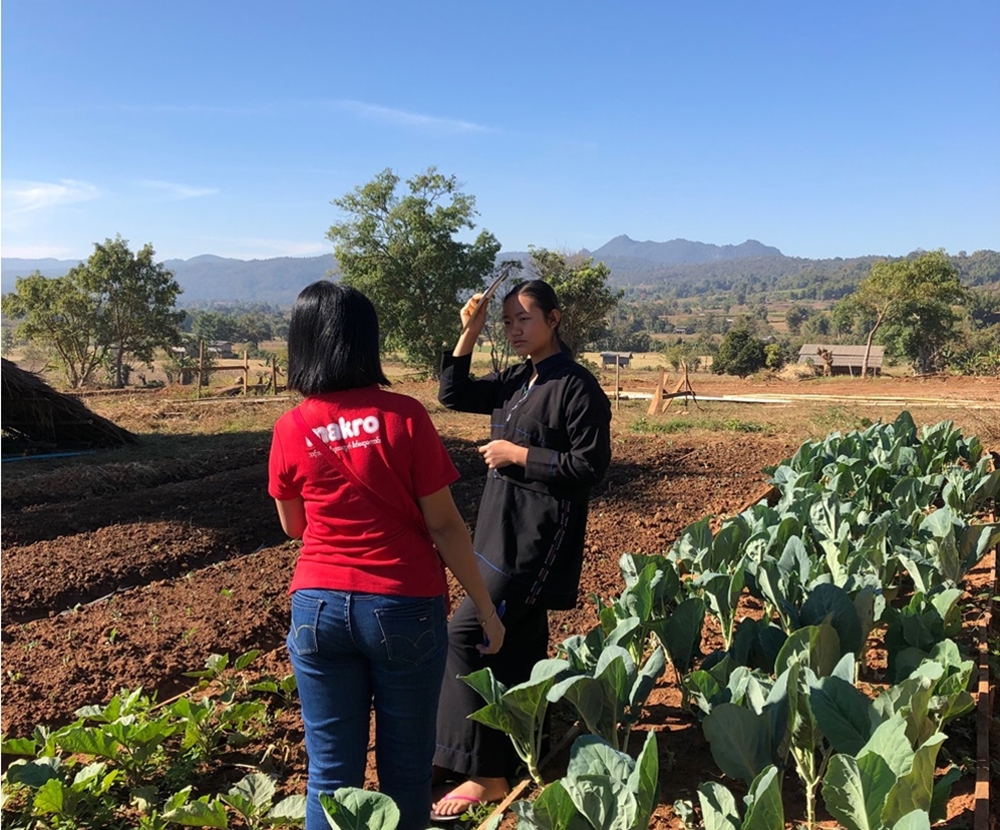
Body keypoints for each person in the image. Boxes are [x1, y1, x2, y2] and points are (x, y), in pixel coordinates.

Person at [268, 281, 505, 830]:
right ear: (364, 343)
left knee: (329, 775)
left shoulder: (291, 426)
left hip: (317, 610)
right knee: (404, 772)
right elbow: (445, 525)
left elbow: (292, 526)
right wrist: (486, 610)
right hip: (402, 606)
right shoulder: (404, 417)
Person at [431, 279, 612, 818]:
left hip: (537, 541)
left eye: (523, 319)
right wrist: (469, 331)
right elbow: (453, 393)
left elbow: (589, 466)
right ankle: (513, 744)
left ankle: (483, 771)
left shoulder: (577, 388)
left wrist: (519, 453)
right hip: (496, 531)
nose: (513, 329)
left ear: (553, 320)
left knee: (466, 633)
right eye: (506, 320)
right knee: (516, 643)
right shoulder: (518, 378)